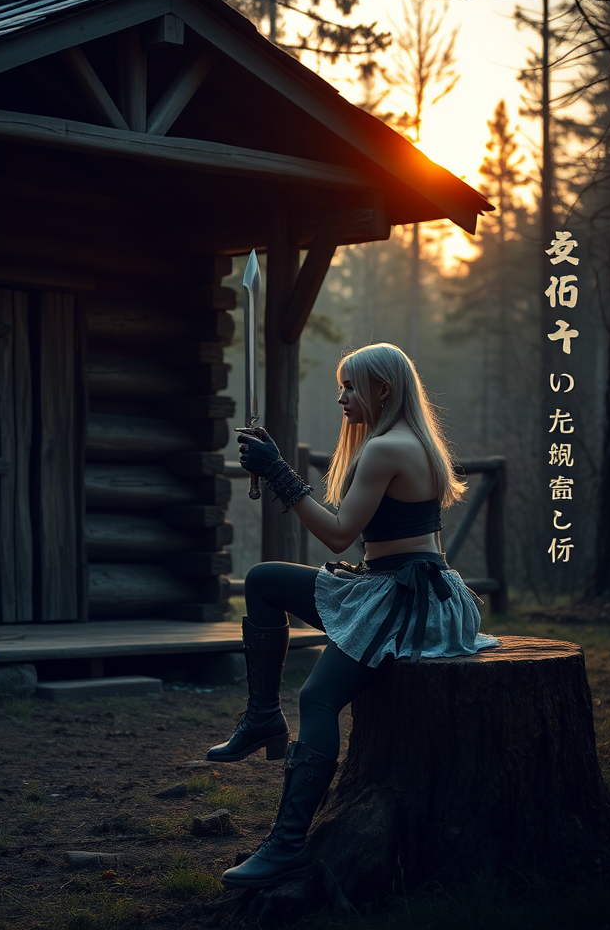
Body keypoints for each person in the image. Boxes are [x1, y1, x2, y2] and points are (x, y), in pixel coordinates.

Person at [211, 342, 499, 889]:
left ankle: (287, 845)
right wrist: (280, 469)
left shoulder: (387, 447)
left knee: (318, 698)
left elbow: (340, 534)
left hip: (406, 599)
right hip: (395, 586)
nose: (341, 397)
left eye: (350, 387)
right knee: (264, 581)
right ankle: (261, 718)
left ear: (383, 390)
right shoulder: (410, 440)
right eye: (340, 386)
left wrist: (278, 474)